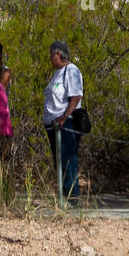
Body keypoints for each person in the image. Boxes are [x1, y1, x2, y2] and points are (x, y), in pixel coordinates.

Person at [42, 40, 84, 202]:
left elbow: (75, 96)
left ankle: (72, 198)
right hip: (53, 125)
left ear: (57, 54)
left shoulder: (71, 70)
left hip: (65, 124)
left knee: (68, 160)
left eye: (50, 55)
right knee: (59, 161)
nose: (50, 58)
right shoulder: (56, 73)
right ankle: (63, 196)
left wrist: (64, 116)